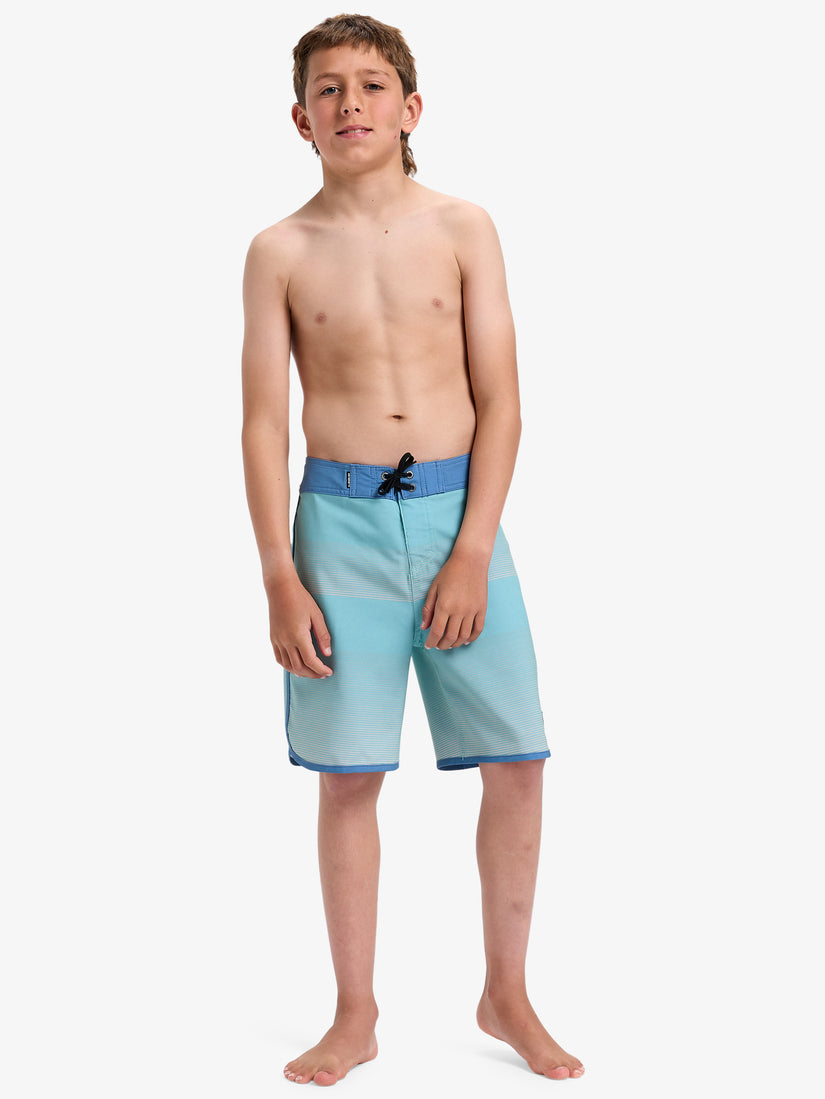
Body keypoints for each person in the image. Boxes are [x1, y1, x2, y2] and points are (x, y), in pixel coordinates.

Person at [241, 13, 584, 1086]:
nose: (351, 102)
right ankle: (356, 1011)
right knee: (348, 778)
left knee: (517, 760)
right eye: (328, 88)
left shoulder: (463, 227)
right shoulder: (279, 251)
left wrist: (473, 547)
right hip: (336, 532)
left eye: (372, 84)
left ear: (411, 108)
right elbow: (262, 420)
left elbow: (504, 400)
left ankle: (506, 990)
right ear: (300, 118)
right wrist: (279, 575)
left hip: (453, 518)